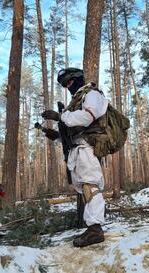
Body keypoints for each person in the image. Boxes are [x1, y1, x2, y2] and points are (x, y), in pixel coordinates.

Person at [41, 67, 108, 247]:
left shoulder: (92, 94)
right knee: (85, 187)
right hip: (77, 149)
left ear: (78, 78)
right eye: (65, 84)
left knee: (91, 185)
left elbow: (87, 118)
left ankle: (95, 229)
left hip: (87, 148)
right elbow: (73, 129)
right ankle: (92, 227)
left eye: (70, 82)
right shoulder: (76, 100)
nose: (68, 86)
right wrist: (56, 135)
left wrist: (60, 116)